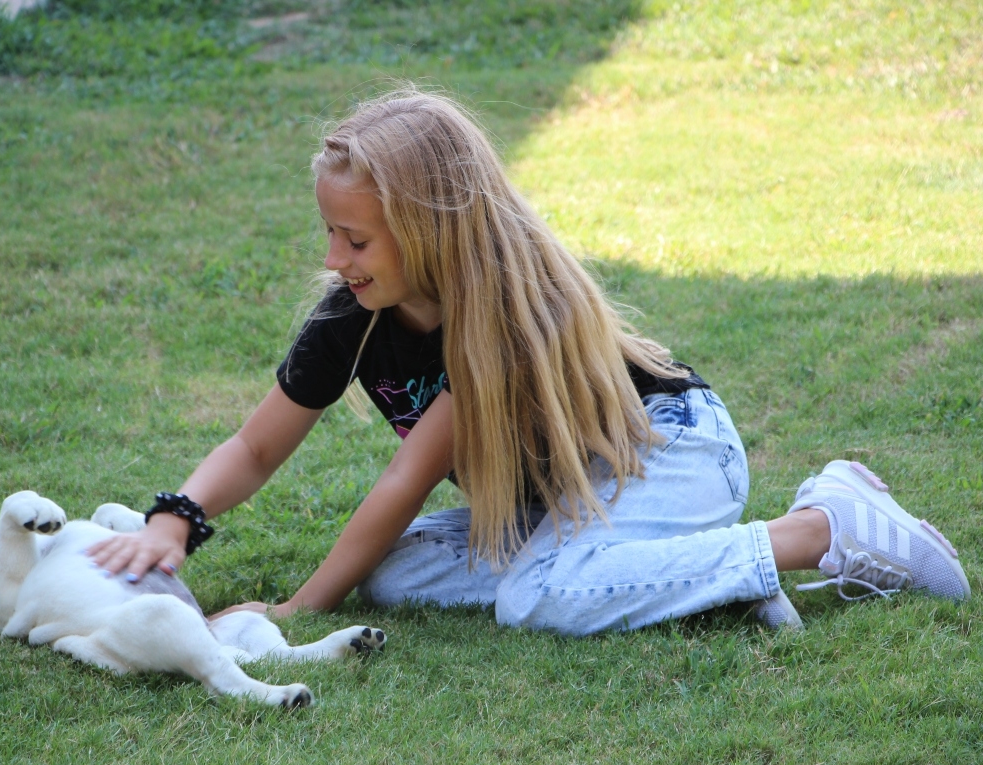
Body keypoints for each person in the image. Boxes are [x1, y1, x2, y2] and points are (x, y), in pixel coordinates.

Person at [87, 89, 969, 635]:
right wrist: (174, 520)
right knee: (392, 576)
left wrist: (296, 611)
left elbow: (404, 482)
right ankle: (705, 577)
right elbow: (254, 450)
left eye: (353, 237)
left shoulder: (505, 319)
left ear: (428, 229)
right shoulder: (352, 316)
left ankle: (825, 528)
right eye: (330, 232)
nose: (333, 257)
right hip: (564, 503)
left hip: (666, 454)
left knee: (535, 599)